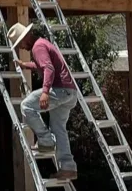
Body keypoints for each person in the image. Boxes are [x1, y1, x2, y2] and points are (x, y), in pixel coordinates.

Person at [6, 22, 79, 181]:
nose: (22, 48)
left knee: (26, 106)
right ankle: (68, 167)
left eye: (21, 43)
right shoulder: (42, 43)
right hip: (70, 92)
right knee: (59, 128)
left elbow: (48, 68)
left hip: (59, 89)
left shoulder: (37, 47)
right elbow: (42, 64)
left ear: (26, 37)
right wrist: (25, 65)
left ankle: (46, 141)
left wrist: (45, 92)